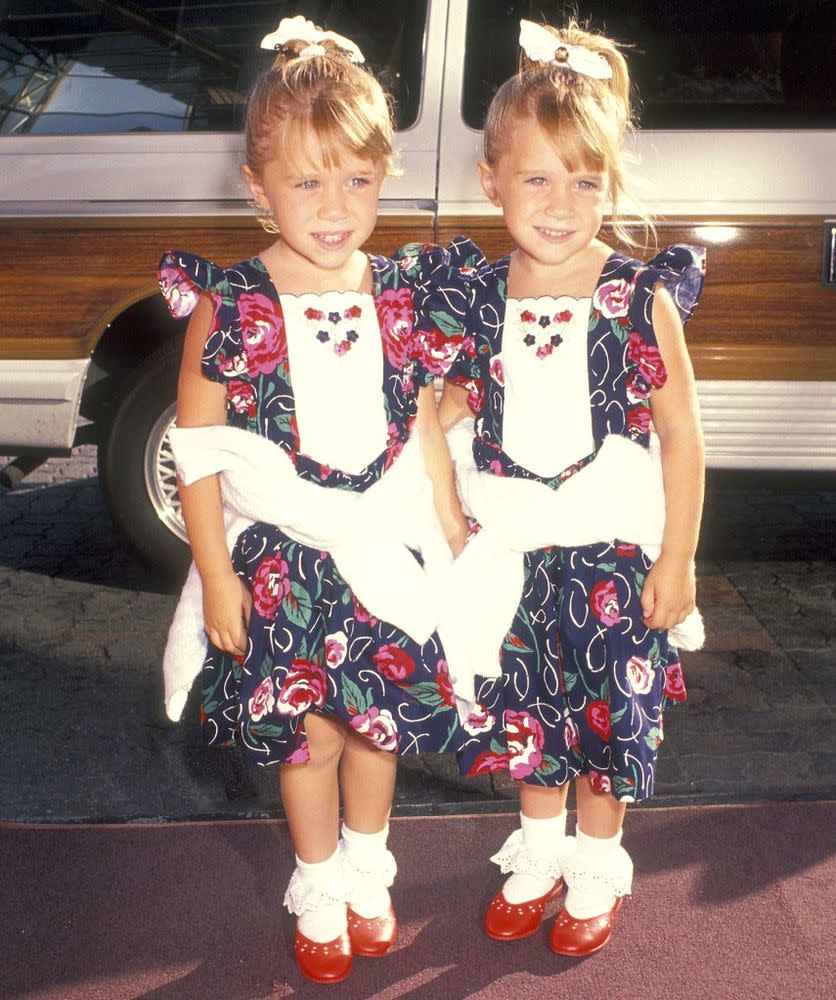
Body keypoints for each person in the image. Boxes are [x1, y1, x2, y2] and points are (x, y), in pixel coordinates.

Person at [157, 16, 467, 985]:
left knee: (378, 723)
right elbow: (197, 449)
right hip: (285, 563)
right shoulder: (231, 304)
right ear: (258, 187)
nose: (335, 206)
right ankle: (320, 880)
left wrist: (449, 516)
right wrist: (214, 575)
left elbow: (418, 413)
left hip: (380, 548)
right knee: (310, 733)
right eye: (306, 180)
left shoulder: (400, 292)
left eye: (357, 180)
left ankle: (371, 870)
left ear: (382, 175)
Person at [435, 18, 706, 957]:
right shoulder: (476, 295)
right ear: (492, 182)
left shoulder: (639, 296)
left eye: (584, 181)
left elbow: (680, 434)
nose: (559, 203)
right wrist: (447, 448)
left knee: (606, 716)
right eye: (536, 178)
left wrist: (678, 558)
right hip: (517, 549)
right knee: (531, 711)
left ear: (610, 185)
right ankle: (538, 851)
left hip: (612, 551)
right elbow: (464, 399)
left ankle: (596, 865)